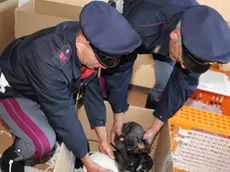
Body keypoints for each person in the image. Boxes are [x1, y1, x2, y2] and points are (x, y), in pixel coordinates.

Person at [0, 1, 141, 172]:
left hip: (38, 85)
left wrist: (102, 138)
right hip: (12, 88)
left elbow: (92, 87)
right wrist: (87, 160)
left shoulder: (86, 38)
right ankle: (10, 159)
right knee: (42, 142)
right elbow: (62, 114)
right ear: (82, 42)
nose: (104, 67)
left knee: (67, 130)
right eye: (103, 59)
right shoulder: (50, 60)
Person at [106, 0, 230, 145]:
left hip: (168, 28)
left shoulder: (198, 38)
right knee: (109, 64)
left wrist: (154, 128)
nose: (183, 66)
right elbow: (121, 68)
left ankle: (151, 112)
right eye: (182, 60)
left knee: (164, 82)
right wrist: (118, 115)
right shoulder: (140, 26)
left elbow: (183, 85)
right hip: (135, 16)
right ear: (175, 35)